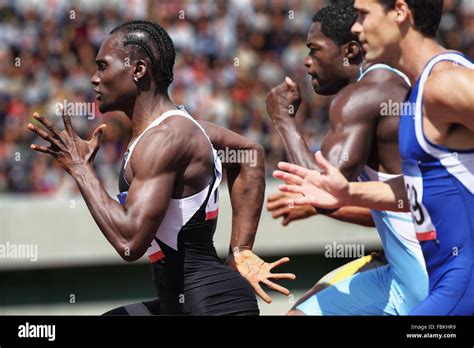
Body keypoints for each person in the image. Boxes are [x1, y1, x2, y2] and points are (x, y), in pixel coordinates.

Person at [27, 20, 295, 315]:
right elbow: (249, 154)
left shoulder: (166, 138)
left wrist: (80, 169)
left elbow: (130, 242)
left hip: (211, 305)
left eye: (102, 66)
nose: (94, 78)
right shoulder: (180, 130)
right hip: (182, 304)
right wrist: (240, 249)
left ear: (138, 70)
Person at [274, 0, 474, 315]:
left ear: (400, 11)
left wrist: (284, 121)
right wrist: (348, 193)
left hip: (458, 284)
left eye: (364, 15)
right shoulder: (416, 92)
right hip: (428, 276)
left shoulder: (446, 82)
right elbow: (419, 188)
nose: (356, 27)